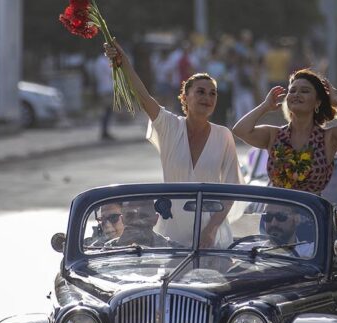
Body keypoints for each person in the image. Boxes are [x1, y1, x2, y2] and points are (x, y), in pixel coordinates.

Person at [103, 39, 242, 249]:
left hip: (212, 237)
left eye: (213, 93)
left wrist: (211, 229)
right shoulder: (169, 126)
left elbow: (231, 191)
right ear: (185, 97)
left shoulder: (223, 136)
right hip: (171, 236)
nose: (207, 97)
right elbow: (143, 96)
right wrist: (123, 63)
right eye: (201, 92)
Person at [232, 68, 337, 194]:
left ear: (317, 102)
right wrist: (265, 106)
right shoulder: (274, 135)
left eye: (305, 91)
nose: (296, 94)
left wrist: (336, 100)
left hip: (312, 216)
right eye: (292, 91)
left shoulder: (328, 138)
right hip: (275, 217)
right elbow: (240, 130)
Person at [104, 200, 179, 248]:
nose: (136, 222)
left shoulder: (171, 248)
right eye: (130, 216)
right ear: (123, 220)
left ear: (155, 220)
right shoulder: (109, 248)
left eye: (143, 216)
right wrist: (121, 246)